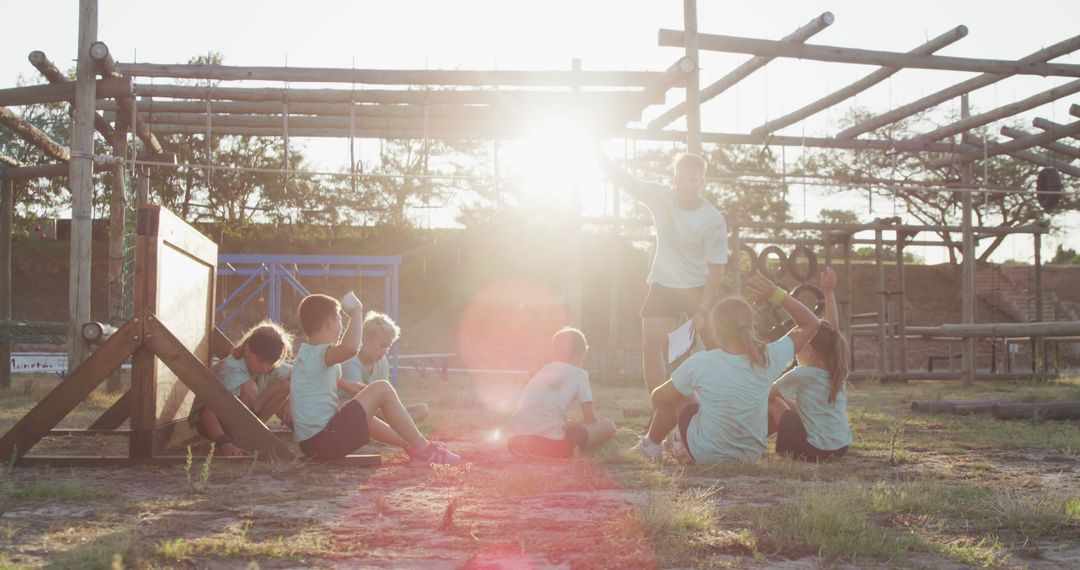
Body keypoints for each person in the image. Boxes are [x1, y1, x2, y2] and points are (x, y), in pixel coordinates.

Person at [636, 274, 820, 464]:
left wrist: (683, 375)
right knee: (773, 402)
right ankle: (681, 441)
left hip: (705, 454)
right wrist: (777, 294)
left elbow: (658, 398)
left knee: (680, 392)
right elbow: (812, 323)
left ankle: (651, 444)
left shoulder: (701, 362)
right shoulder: (768, 357)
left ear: (715, 329)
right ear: (751, 325)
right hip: (749, 456)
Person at [595, 148, 728, 395]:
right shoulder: (661, 196)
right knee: (651, 345)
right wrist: (598, 152)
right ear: (674, 179)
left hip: (698, 286)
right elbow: (626, 181)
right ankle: (660, 411)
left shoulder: (712, 220)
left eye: (693, 179)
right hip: (664, 283)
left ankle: (724, 405)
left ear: (701, 182)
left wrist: (702, 309)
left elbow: (716, 270)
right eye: (682, 178)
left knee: (717, 347)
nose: (687, 184)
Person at [290, 293, 460, 464]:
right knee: (382, 388)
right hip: (325, 441)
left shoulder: (305, 355)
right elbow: (350, 348)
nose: (342, 325)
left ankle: (414, 446)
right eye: (340, 320)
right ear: (329, 321)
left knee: (351, 408)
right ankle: (424, 450)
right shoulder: (320, 353)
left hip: (312, 444)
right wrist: (356, 311)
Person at [768, 267, 851, 462]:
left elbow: (767, 393)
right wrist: (828, 292)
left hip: (815, 451)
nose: (796, 351)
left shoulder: (803, 374)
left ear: (809, 350)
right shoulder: (838, 369)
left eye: (799, 345)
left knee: (775, 403)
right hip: (840, 447)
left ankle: (767, 445)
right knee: (785, 401)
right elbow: (832, 331)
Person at [505, 327, 616, 459]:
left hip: (516, 443)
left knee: (559, 427)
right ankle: (575, 440)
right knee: (609, 426)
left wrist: (566, 424)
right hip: (552, 446)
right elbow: (590, 419)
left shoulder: (543, 371)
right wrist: (576, 425)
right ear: (579, 357)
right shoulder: (579, 374)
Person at [191, 320, 294, 457]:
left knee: (285, 385)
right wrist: (224, 443)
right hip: (209, 423)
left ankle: (253, 432)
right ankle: (236, 437)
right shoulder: (233, 370)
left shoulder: (267, 365)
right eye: (261, 361)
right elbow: (208, 414)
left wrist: (290, 403)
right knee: (249, 387)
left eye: (270, 363)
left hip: (240, 417)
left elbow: (296, 374)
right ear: (247, 350)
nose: (264, 367)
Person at [338, 311, 429, 423]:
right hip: (352, 411)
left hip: (376, 410)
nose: (385, 351)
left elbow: (384, 397)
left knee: (422, 409)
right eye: (382, 345)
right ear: (365, 338)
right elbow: (361, 395)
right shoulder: (350, 361)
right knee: (383, 412)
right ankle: (398, 427)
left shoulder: (382, 362)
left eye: (388, 347)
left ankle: (396, 426)